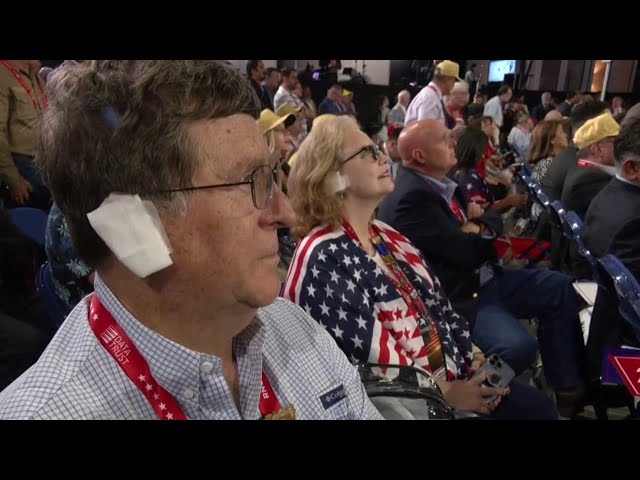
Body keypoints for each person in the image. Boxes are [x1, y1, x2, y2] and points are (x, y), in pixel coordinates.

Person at [0, 60, 382, 420]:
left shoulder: (296, 329)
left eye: (273, 176)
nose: (286, 214)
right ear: (133, 225)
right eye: (253, 182)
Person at [283, 115, 557, 419]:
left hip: (450, 376)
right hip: (412, 406)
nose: (384, 157)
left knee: (537, 406)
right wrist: (447, 393)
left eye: (378, 149)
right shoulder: (324, 258)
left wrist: (473, 358)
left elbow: (439, 310)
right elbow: (368, 375)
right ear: (333, 177)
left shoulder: (386, 236)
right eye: (368, 153)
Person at [377, 119, 586, 418]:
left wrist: (480, 223)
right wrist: (482, 224)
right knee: (519, 345)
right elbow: (468, 252)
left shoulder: (443, 181)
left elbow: (480, 227)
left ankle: (566, 388)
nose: (453, 143)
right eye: (443, 140)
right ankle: (476, 396)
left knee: (557, 285)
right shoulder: (413, 197)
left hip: (486, 278)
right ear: (420, 156)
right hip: (460, 295)